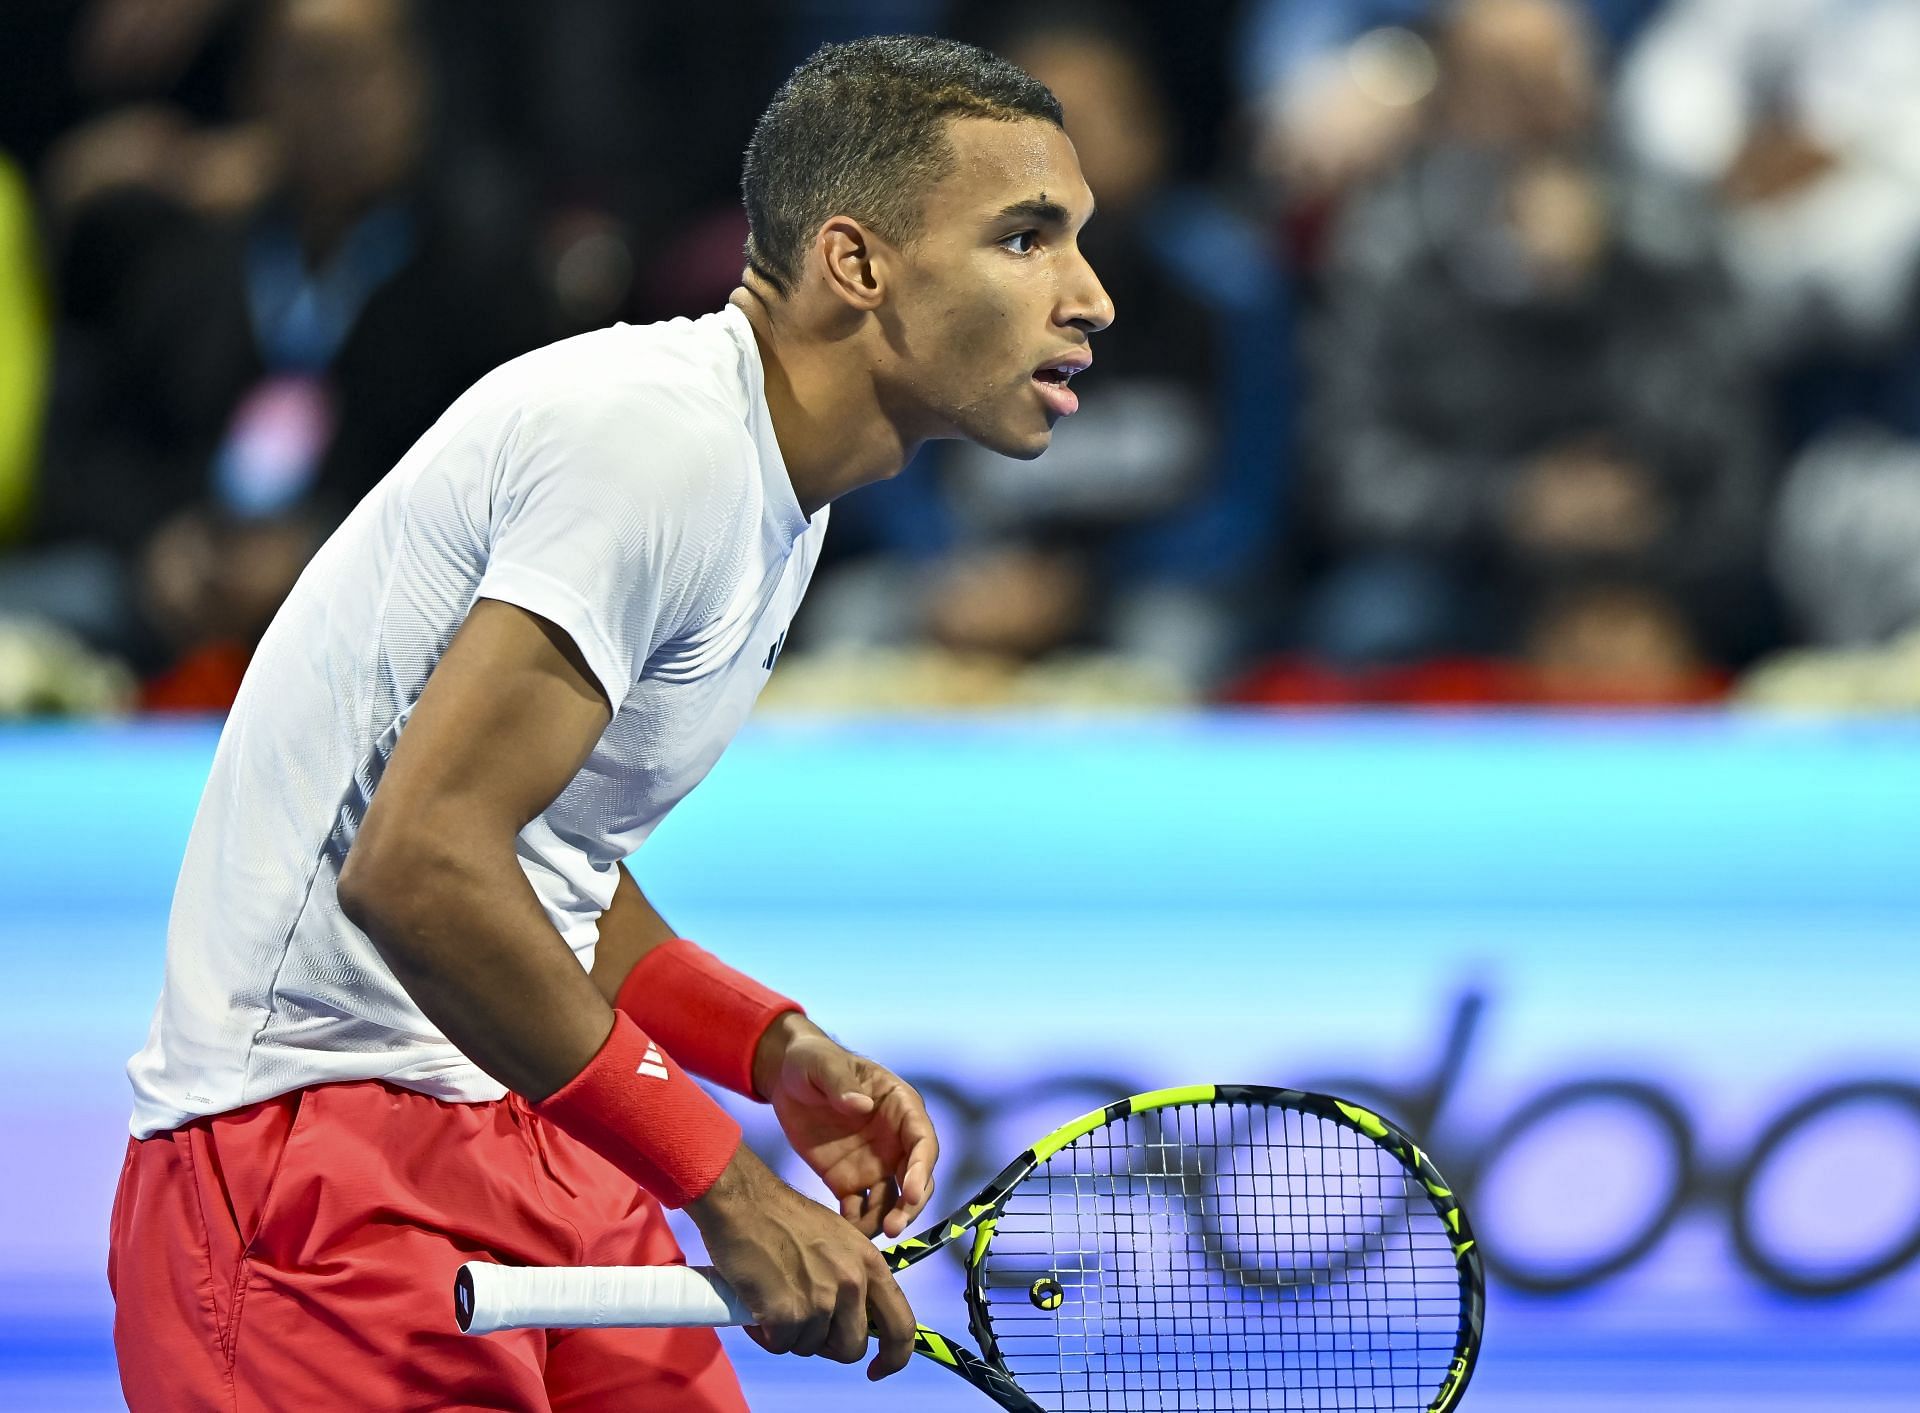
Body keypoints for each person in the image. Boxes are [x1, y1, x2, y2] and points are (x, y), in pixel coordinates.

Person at [107, 32, 1112, 1412]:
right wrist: (728, 1182)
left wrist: (768, 1049)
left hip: (541, 1119)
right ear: (857, 263)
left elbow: (542, 855)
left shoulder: (772, 479)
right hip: (316, 1159)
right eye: (1025, 238)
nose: (1091, 296)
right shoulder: (658, 443)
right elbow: (419, 866)